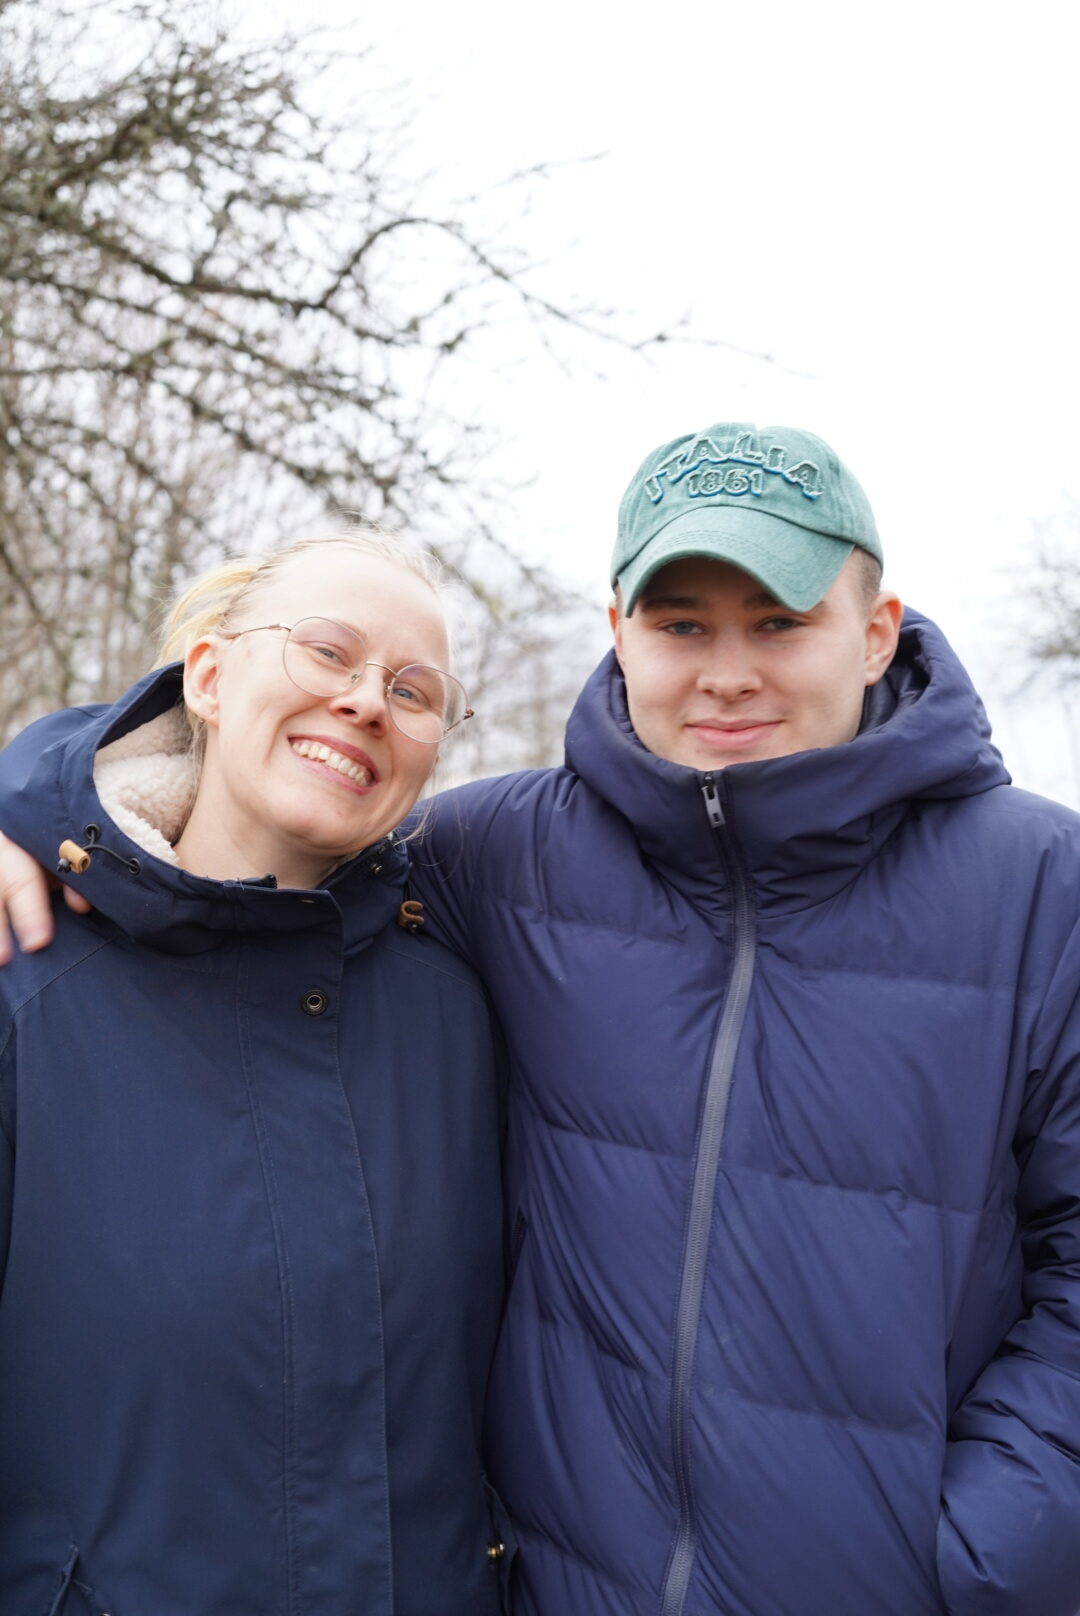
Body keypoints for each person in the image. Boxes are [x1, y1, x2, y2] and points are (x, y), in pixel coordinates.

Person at [3, 422, 1080, 1616]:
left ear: (875, 633)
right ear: (617, 629)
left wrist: (989, 1552)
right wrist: (34, 813)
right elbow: (246, 853)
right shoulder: (493, 857)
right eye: (681, 624)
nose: (728, 669)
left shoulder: (1042, 884)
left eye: (779, 622)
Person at [0, 529, 513, 1615]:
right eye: (327, 650)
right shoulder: (26, 981)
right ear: (210, 674)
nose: (369, 699)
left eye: (415, 690)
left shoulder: (463, 1013)